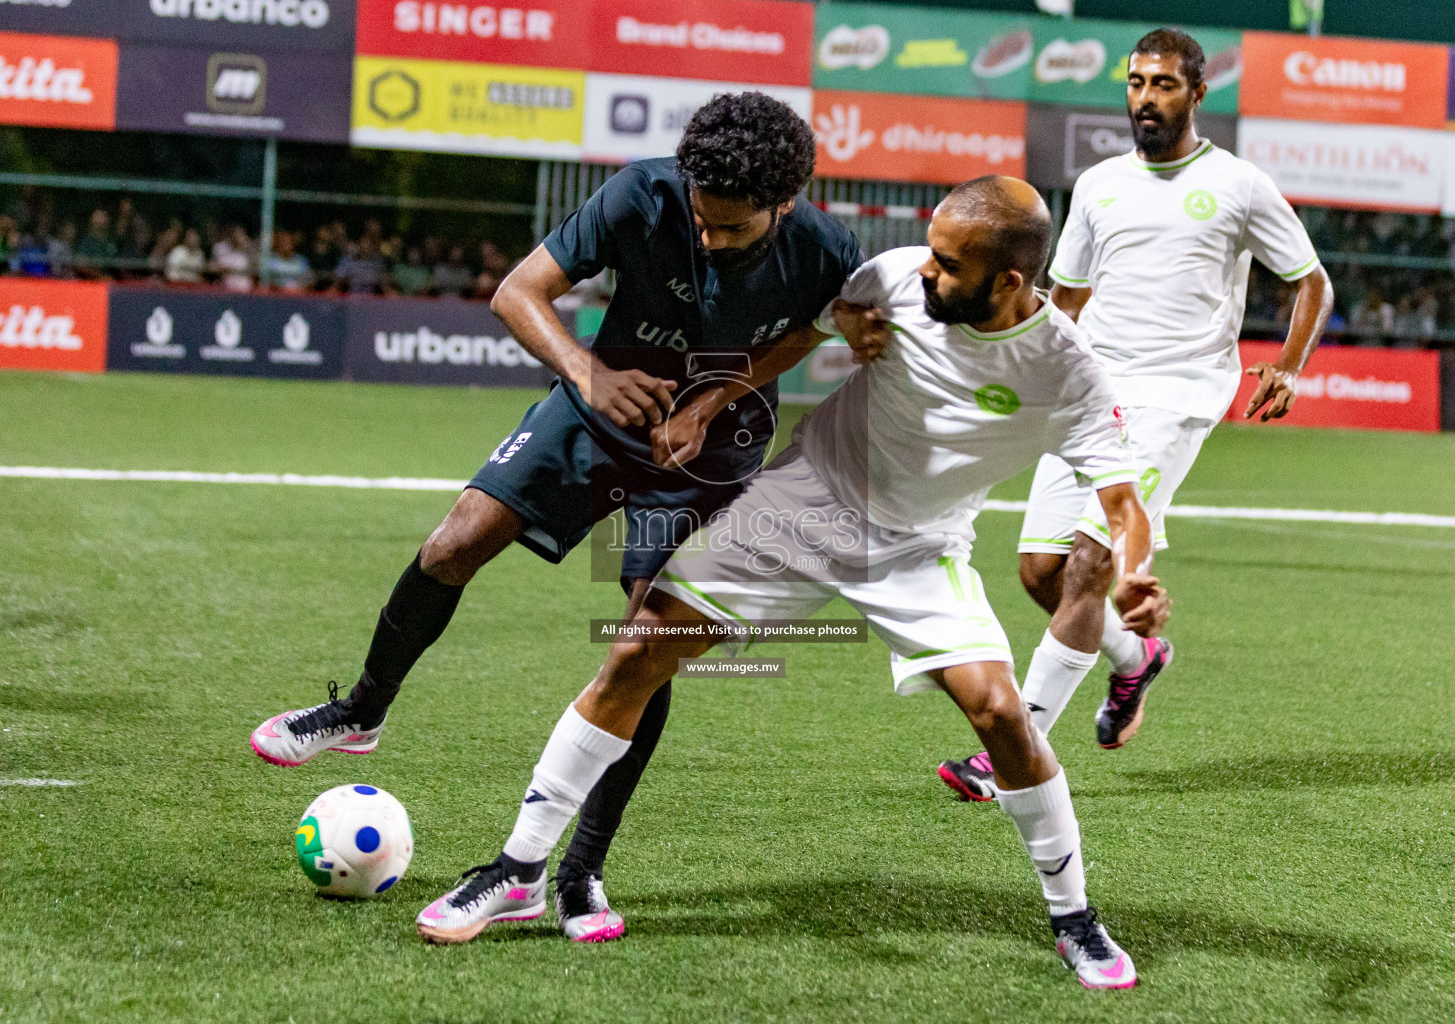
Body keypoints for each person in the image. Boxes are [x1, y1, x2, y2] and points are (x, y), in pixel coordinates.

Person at [415, 177, 1160, 989]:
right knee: (636, 653)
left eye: (948, 266)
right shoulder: (897, 275)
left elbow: (1123, 502)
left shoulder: (1069, 373)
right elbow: (806, 330)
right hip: (804, 502)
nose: (924, 274)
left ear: (1008, 282)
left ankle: (1074, 918)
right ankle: (519, 871)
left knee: (1003, 715)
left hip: (919, 548)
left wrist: (1136, 569)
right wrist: (720, 399)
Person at [250, 93, 866, 942]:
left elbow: (807, 333)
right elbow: (518, 291)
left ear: (785, 205)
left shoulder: (827, 250)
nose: (710, 238)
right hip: (595, 407)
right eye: (701, 219)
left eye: (731, 230)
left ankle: (579, 872)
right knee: (454, 542)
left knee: (641, 649)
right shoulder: (641, 195)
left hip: (708, 455)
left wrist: (715, 400)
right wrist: (586, 372)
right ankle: (361, 710)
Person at [935, 28, 1332, 802]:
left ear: (1196, 94)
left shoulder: (1239, 185)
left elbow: (1309, 279)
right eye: (1136, 83)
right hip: (1092, 392)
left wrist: (1288, 365)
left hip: (1176, 396)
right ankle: (1134, 659)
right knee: (1041, 572)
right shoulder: (1099, 186)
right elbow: (1069, 300)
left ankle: (1014, 751)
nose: (1146, 98)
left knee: (1089, 566)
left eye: (1163, 85)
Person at [211, 225, 254, 291]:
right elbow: (215, 267)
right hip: (226, 289)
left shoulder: (246, 252)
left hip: (243, 290)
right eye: (236, 234)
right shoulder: (220, 248)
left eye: (241, 235)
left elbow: (254, 269)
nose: (238, 238)